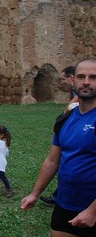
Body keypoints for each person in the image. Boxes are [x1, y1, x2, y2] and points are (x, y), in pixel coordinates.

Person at [21, 58, 96, 237]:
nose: (87, 82)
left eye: (93, 78)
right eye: (82, 77)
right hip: (66, 200)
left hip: (93, 206)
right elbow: (54, 159)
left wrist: (92, 211)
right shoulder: (66, 117)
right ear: (73, 81)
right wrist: (35, 193)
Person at [40, 65, 80, 206]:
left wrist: (64, 115)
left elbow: (70, 108)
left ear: (71, 78)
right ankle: (59, 195)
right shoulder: (75, 92)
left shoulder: (80, 92)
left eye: (63, 79)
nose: (61, 82)